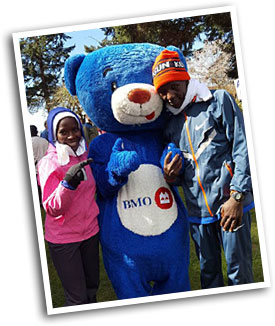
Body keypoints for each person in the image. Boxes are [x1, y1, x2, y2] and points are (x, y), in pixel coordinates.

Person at [152, 49, 254, 289]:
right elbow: (179, 174)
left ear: (186, 79)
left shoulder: (217, 100)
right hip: (197, 215)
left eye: (173, 86)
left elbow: (243, 146)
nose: (168, 96)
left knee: (239, 276)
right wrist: (170, 176)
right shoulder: (169, 124)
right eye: (162, 91)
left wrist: (237, 196)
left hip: (231, 206)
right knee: (209, 277)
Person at [37, 107, 100, 306]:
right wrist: (67, 185)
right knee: (77, 299)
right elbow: (52, 207)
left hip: (90, 232)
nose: (71, 135)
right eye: (64, 132)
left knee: (92, 290)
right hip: (64, 240)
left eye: (75, 129)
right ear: (54, 134)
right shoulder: (49, 162)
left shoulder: (85, 155)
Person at [30, 125, 48, 204]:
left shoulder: (29, 141)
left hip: (35, 167)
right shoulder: (44, 141)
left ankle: (39, 202)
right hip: (45, 167)